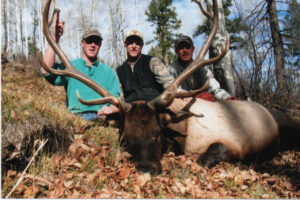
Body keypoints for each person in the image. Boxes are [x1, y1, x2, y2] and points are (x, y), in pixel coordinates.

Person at [41, 13, 120, 121]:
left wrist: (110, 108)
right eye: (89, 41)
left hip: (100, 118)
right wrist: (55, 39)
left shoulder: (109, 72)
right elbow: (46, 70)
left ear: (100, 45)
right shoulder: (70, 66)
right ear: (82, 43)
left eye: (96, 42)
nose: (93, 45)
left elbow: (117, 101)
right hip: (75, 117)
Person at [167, 35, 232, 101]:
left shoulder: (202, 68)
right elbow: (172, 91)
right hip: (183, 105)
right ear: (176, 51)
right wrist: (195, 97)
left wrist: (227, 97)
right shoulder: (171, 69)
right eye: (181, 48)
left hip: (204, 104)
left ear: (193, 49)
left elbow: (215, 89)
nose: (185, 50)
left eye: (187, 47)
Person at [116, 30, 175, 102]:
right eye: (130, 42)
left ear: (142, 45)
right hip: (130, 110)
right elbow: (119, 96)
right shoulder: (119, 71)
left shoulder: (152, 62)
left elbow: (169, 83)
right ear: (125, 44)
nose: (134, 46)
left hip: (154, 107)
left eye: (137, 43)